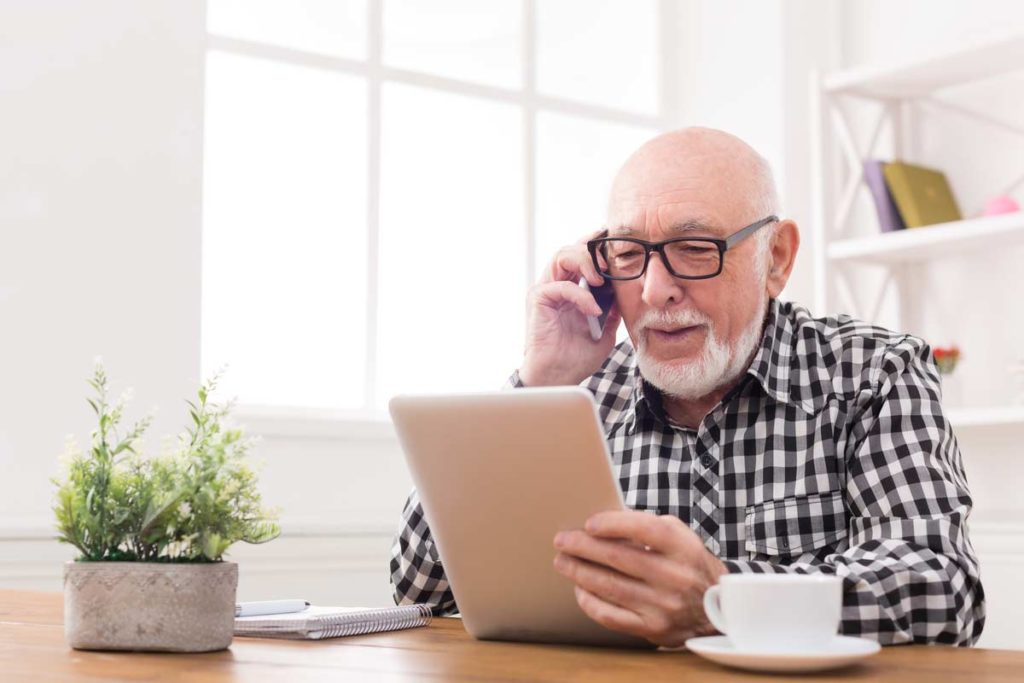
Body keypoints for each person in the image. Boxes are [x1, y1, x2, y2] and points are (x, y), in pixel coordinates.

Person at [389, 127, 985, 647]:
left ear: (775, 258)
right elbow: (419, 590)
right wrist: (538, 383)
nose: (654, 290)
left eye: (695, 250)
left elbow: (942, 586)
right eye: (627, 253)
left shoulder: (873, 372)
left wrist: (721, 598)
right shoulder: (578, 395)